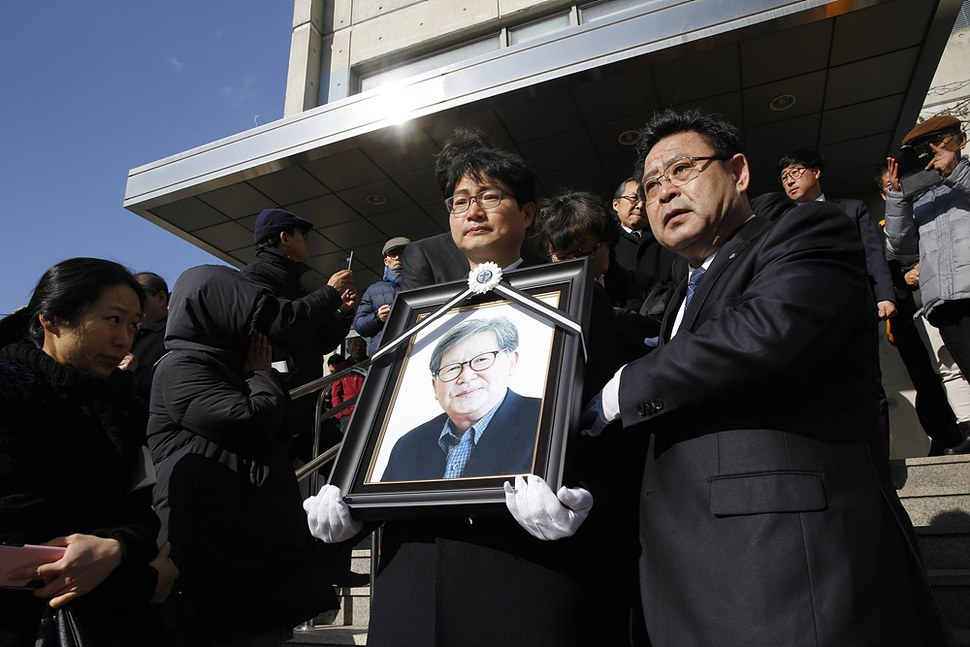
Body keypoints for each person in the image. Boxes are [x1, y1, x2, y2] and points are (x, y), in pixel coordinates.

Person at [585, 108, 951, 646]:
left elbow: (763, 329)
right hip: (689, 583)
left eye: (682, 169)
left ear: (738, 172)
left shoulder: (808, 230)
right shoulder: (681, 294)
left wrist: (620, 390)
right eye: (651, 183)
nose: (662, 193)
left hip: (788, 576)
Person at [306, 127, 641, 647]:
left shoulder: (575, 301)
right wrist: (348, 504)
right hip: (413, 579)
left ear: (527, 213)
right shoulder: (419, 318)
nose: (473, 210)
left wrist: (583, 504)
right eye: (460, 201)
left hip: (524, 571)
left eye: (490, 196)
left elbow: (603, 421)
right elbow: (379, 440)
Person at [148, 265, 338, 646]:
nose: (254, 330)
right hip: (212, 543)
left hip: (246, 541)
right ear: (212, 312)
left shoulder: (230, 365)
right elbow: (248, 423)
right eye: (244, 316)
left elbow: (275, 431)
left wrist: (258, 376)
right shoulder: (182, 365)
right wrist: (262, 375)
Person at [0, 258, 177, 647]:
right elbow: (25, 547)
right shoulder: (11, 391)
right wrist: (143, 580)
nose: (125, 339)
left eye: (133, 324)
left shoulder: (122, 404)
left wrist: (118, 547)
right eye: (112, 320)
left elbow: (145, 514)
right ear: (51, 319)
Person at [885, 114, 970, 455]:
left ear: (960, 139)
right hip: (943, 300)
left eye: (940, 142)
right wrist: (896, 197)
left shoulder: (965, 174)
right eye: (925, 148)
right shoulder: (921, 196)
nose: (933, 152)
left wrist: (956, 172)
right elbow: (900, 247)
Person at [240, 208, 358, 456]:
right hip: (281, 403)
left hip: (306, 407)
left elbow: (320, 342)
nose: (306, 240)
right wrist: (328, 293)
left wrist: (341, 313)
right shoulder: (254, 277)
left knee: (344, 463)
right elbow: (283, 322)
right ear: (284, 238)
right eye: (302, 234)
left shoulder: (293, 281)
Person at [381, 316, 541, 481]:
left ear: (511, 362)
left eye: (481, 360)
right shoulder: (408, 446)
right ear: (435, 387)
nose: (465, 377)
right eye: (452, 368)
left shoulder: (547, 421)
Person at [610, 177, 687, 325]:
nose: (640, 206)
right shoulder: (606, 243)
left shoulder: (667, 241)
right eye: (633, 198)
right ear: (616, 204)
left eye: (645, 201)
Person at [353, 236, 409, 357]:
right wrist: (377, 317)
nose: (397, 258)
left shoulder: (424, 283)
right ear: (386, 261)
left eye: (402, 253)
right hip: (385, 356)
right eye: (393, 254)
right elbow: (358, 325)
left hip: (418, 349)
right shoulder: (374, 290)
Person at [120, 271, 170, 401]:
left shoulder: (174, 336)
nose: (133, 305)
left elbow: (178, 383)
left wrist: (138, 372)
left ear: (161, 298)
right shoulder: (124, 332)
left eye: (139, 298)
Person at [331, 336, 366, 432]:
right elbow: (335, 394)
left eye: (361, 346)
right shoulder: (341, 367)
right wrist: (340, 415)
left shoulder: (371, 364)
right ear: (348, 350)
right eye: (355, 345)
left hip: (367, 410)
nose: (358, 348)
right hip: (347, 414)